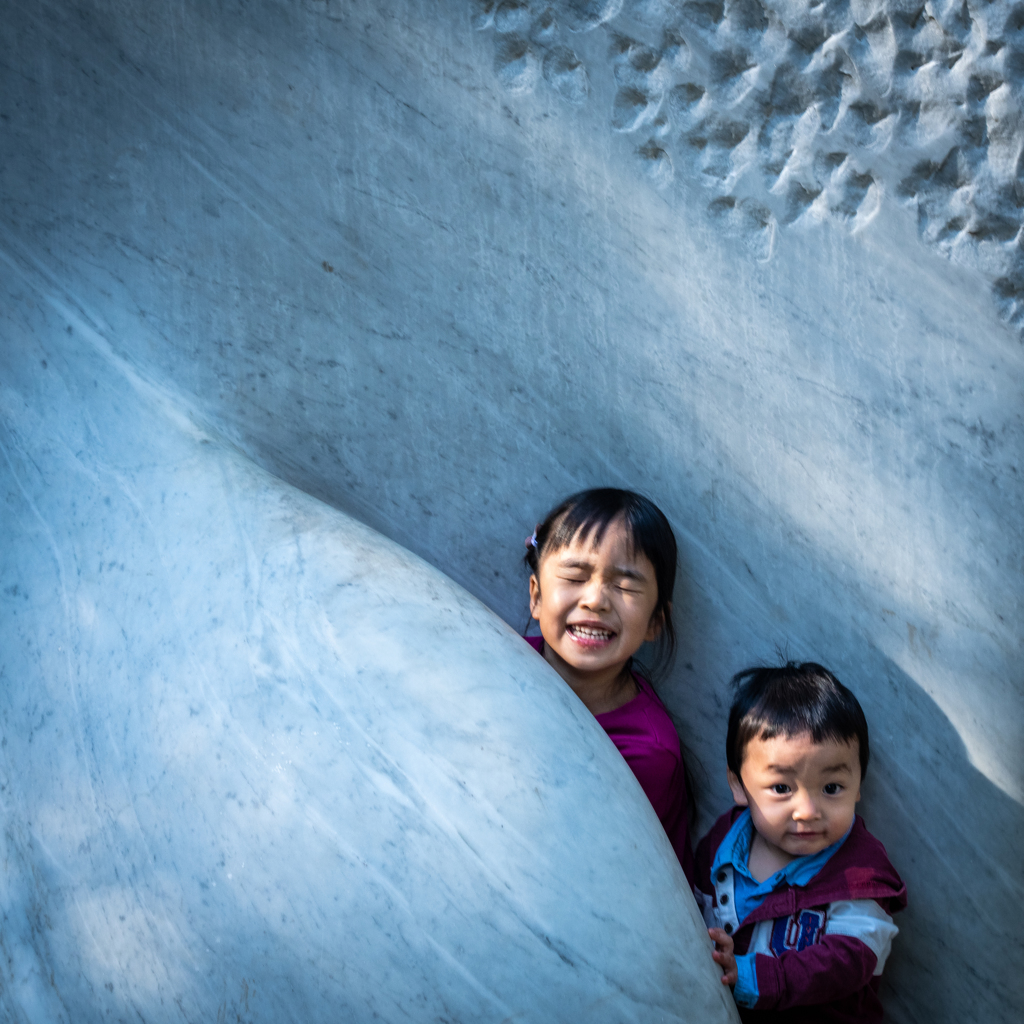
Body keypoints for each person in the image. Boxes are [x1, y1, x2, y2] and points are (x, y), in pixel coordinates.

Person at [695, 663, 906, 1023]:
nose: (807, 811)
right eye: (781, 788)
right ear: (738, 786)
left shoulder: (859, 874)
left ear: (858, 786)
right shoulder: (720, 846)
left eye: (831, 788)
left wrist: (754, 976)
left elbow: (850, 960)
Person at [523, 487, 694, 885]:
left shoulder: (647, 753)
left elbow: (573, 868)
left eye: (626, 586)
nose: (596, 600)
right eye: (575, 576)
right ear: (536, 596)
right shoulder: (500, 662)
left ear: (655, 621)